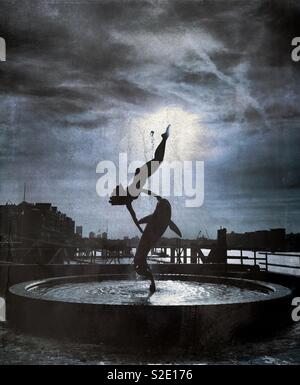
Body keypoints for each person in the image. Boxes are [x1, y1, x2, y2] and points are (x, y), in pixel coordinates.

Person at [109, 125, 170, 233]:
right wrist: (141, 230)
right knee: (158, 159)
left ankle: (164, 138)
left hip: (143, 173)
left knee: (158, 159)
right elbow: (134, 218)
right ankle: (164, 138)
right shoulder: (128, 201)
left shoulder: (130, 197)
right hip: (142, 174)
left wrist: (156, 196)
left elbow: (142, 190)